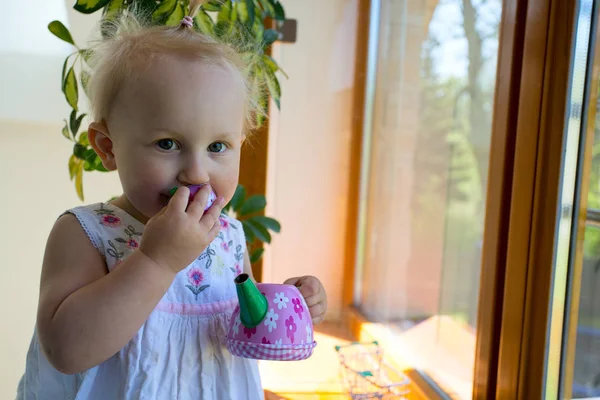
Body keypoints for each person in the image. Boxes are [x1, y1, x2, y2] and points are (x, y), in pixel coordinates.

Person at [17, 2, 327, 399]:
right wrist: (156, 261)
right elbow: (66, 350)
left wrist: (289, 305)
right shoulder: (85, 233)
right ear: (108, 147)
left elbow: (243, 330)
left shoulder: (228, 234)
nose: (196, 173)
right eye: (168, 144)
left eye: (218, 146)